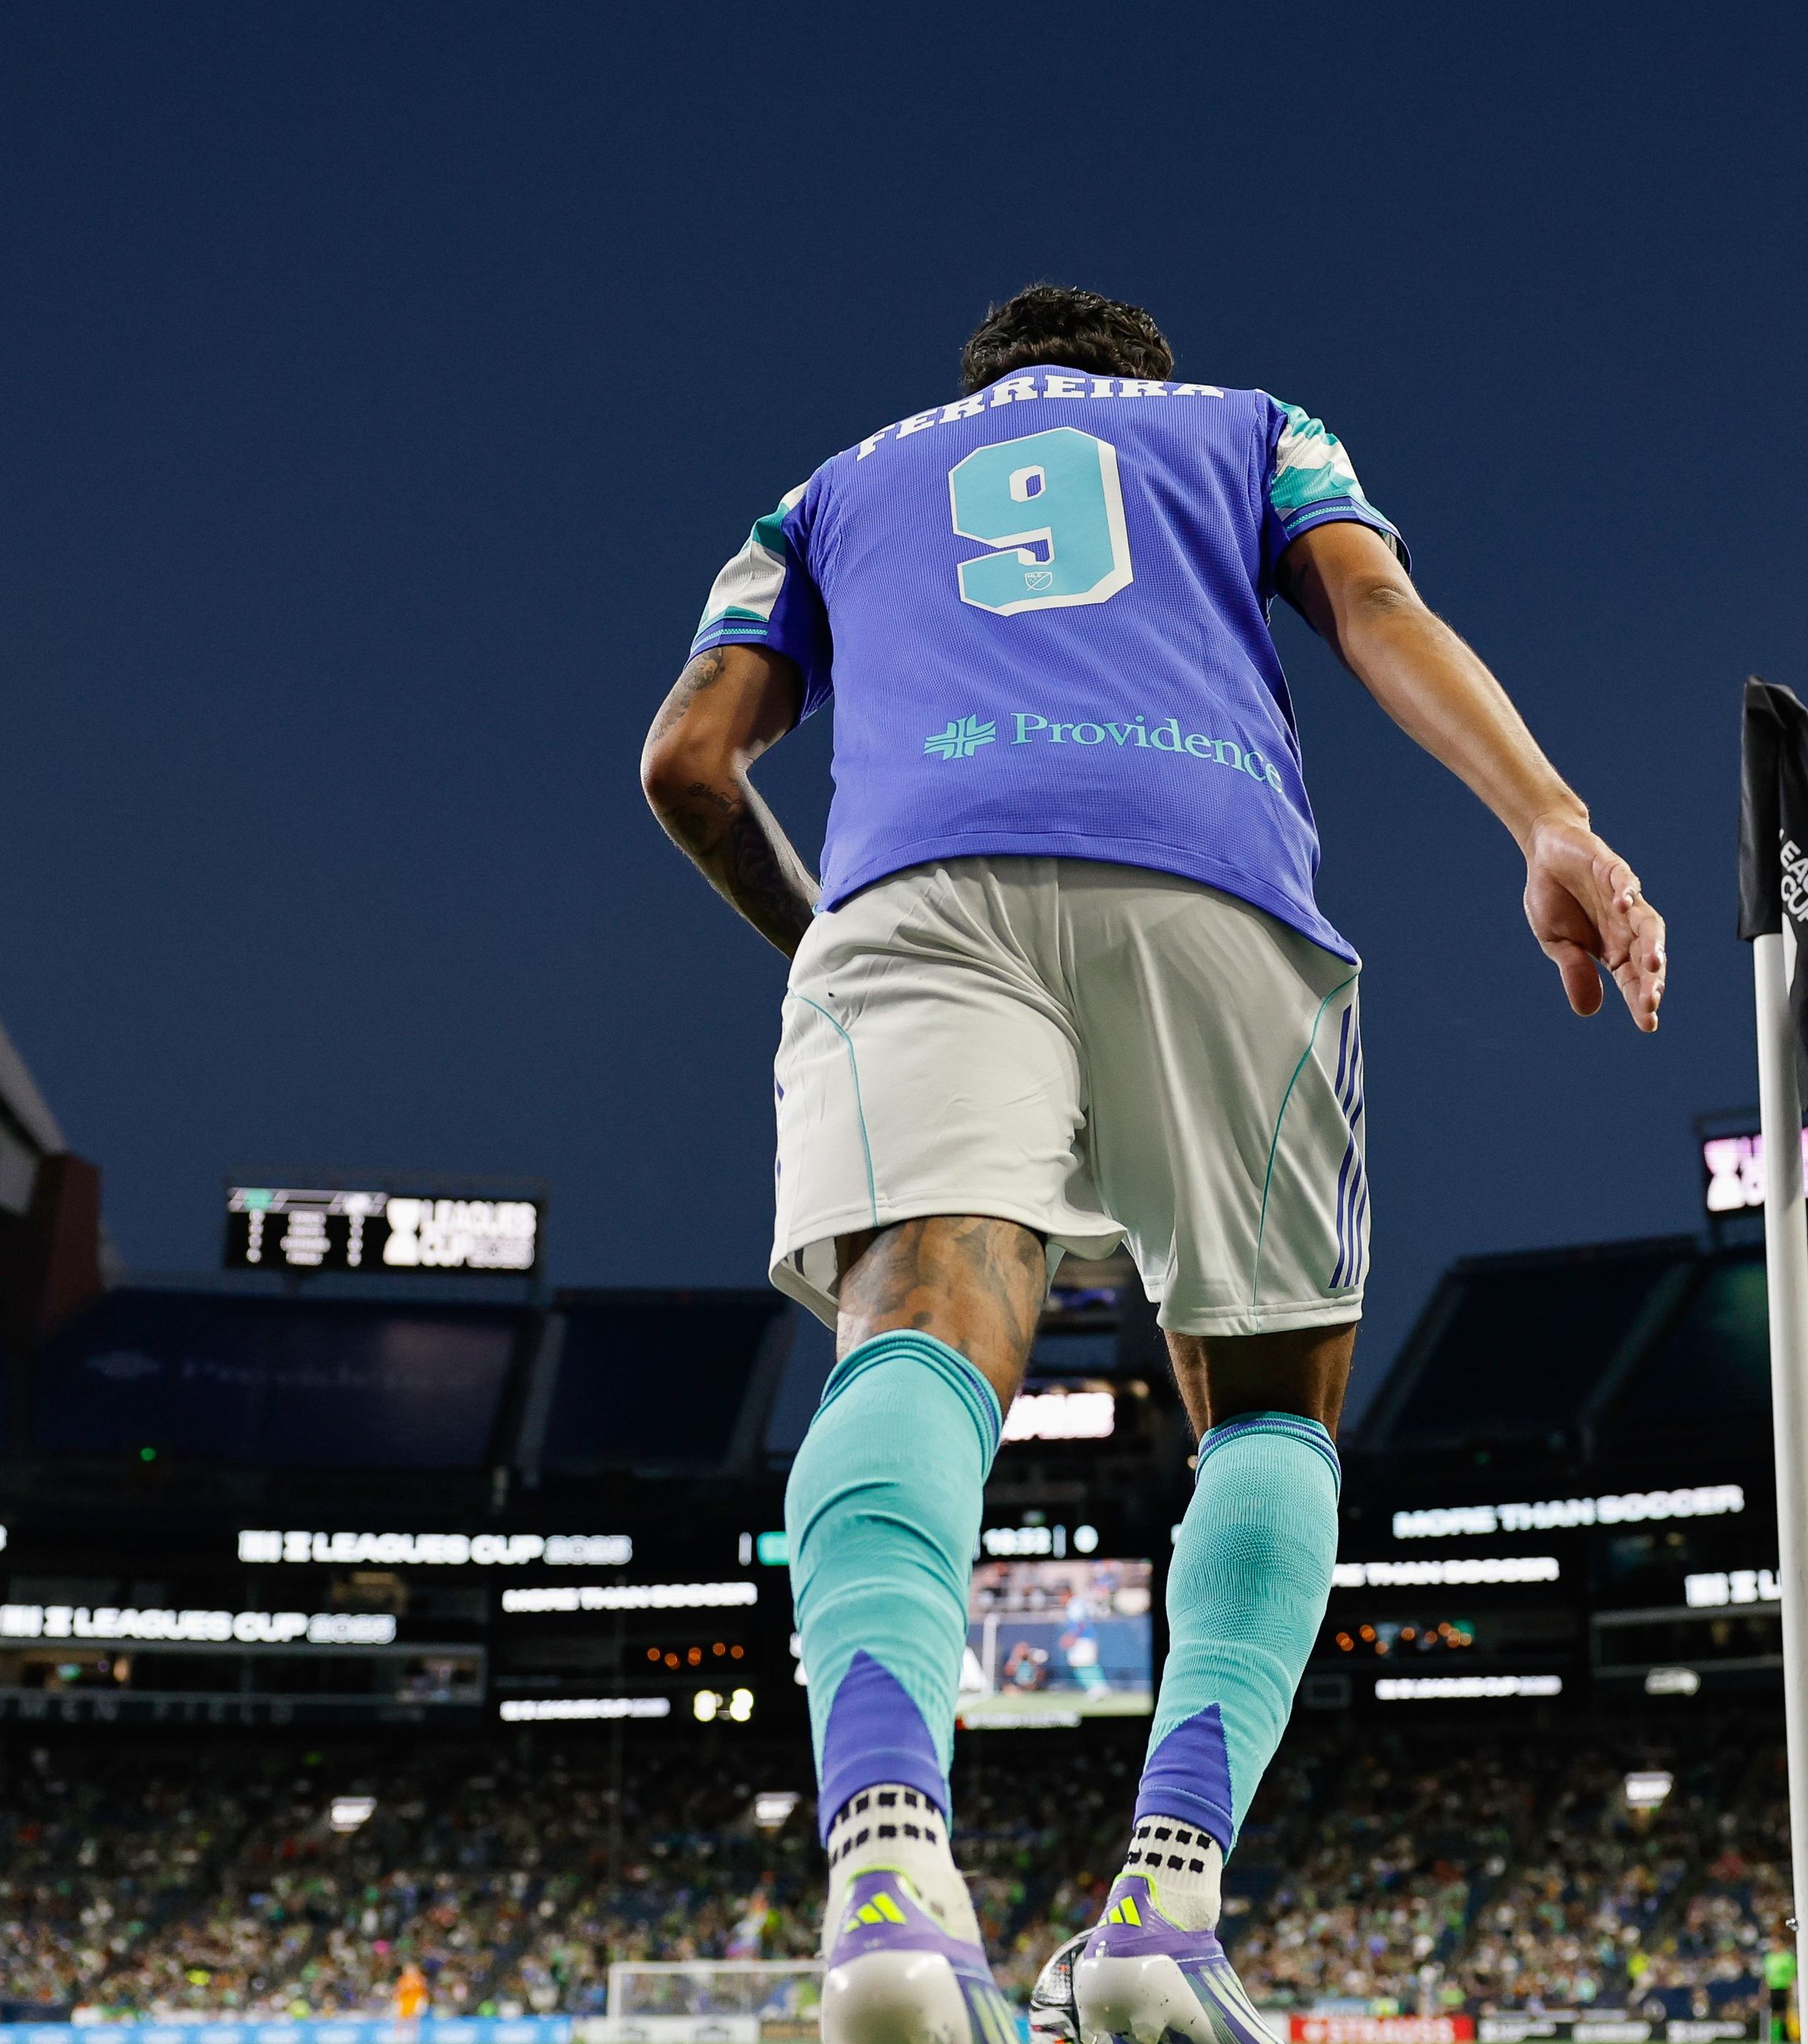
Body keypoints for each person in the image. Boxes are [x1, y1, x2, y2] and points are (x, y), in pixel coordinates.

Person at [642, 284, 1667, 2044]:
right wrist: (1548, 818)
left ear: (975, 391)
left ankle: (885, 1876)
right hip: (1208, 878)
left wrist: (830, 943)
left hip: (918, 892)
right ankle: (1163, 1912)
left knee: (912, 1337)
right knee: (1265, 1410)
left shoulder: (814, 499)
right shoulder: (1248, 426)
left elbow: (686, 761)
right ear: (1142, 383)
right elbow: (1372, 603)